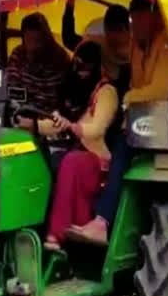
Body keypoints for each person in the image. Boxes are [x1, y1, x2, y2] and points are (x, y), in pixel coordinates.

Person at [68, 0, 168, 245]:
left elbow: (160, 90)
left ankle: (103, 220)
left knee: (122, 144)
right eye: (133, 23)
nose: (136, 28)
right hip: (146, 119)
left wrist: (128, 97)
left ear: (154, 19)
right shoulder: (136, 47)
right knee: (109, 140)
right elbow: (83, 41)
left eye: (141, 22)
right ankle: (90, 216)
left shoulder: (166, 48)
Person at [39, 41, 118, 251]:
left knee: (71, 161)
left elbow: (98, 128)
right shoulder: (72, 91)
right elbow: (53, 123)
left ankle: (57, 234)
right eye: (78, 66)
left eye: (87, 67)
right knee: (44, 162)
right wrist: (33, 125)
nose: (82, 72)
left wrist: (73, 127)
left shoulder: (106, 92)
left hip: (98, 159)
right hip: (72, 152)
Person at [62, 0, 132, 98]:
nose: (112, 36)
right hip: (104, 96)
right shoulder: (99, 43)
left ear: (127, 29)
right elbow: (69, 39)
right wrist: (69, 6)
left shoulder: (143, 48)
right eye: (109, 30)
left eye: (117, 30)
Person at [5, 12, 71, 116]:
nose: (33, 45)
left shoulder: (60, 58)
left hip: (51, 118)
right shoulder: (18, 55)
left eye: (37, 40)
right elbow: (12, 88)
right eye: (29, 39)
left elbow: (63, 97)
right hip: (23, 114)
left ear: (46, 37)